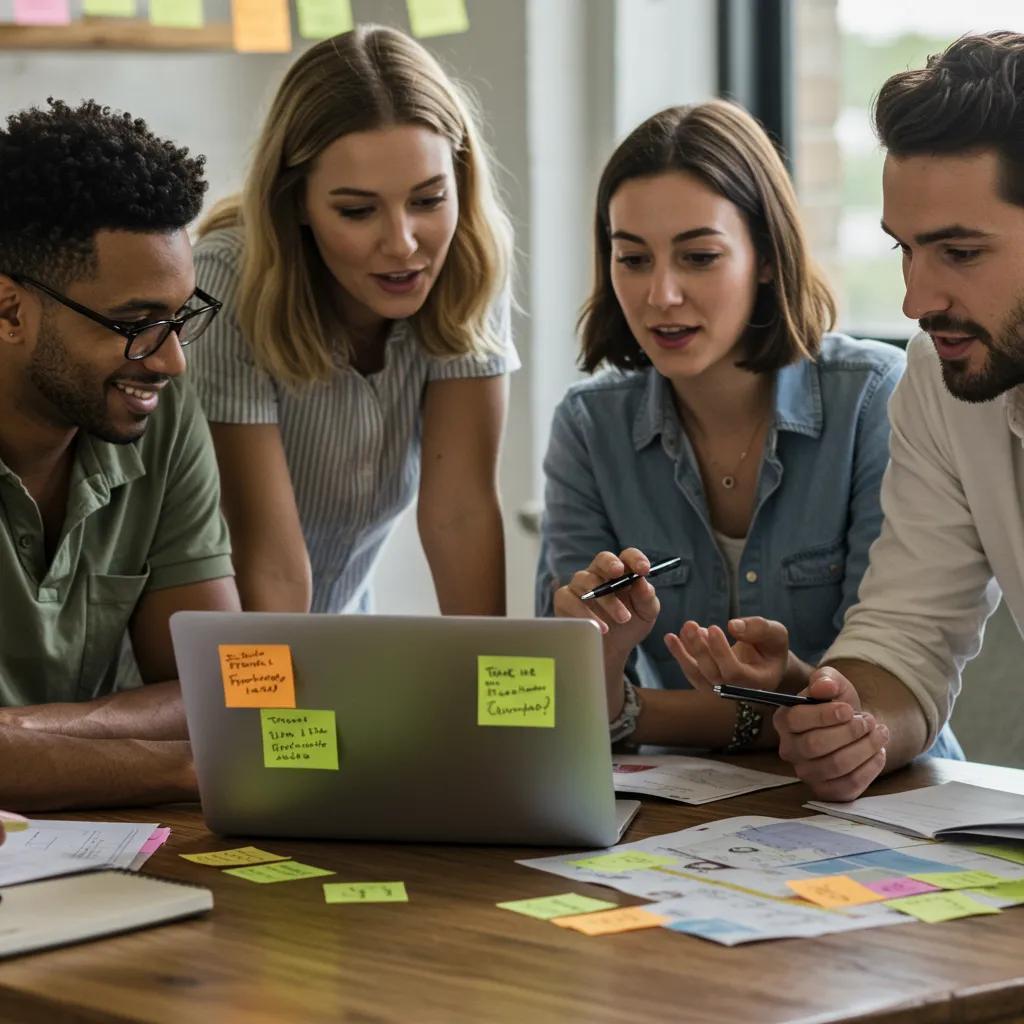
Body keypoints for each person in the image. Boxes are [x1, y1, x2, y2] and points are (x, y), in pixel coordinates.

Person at [538, 100, 962, 757]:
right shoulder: (589, 427)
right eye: (633, 259)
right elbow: (558, 700)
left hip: (883, 786)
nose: (661, 295)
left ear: (765, 255)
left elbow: (873, 688)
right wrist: (602, 655)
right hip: (685, 799)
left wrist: (631, 711)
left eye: (699, 257)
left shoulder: (874, 399)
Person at [681, 32, 1024, 800]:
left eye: (960, 253)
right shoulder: (941, 377)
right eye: (906, 250)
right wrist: (854, 723)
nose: (916, 300)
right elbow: (907, 637)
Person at [189, 25, 518, 617]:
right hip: (225, 640)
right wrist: (290, 686)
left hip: (340, 629)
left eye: (427, 200)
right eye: (358, 210)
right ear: (297, 202)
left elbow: (460, 516)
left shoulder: (466, 263)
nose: (403, 243)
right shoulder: (227, 280)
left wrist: (494, 677)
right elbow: (267, 562)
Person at [0, 99, 240, 809]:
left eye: (180, 318)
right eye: (135, 324)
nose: (171, 361)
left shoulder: (154, 412)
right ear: (9, 310)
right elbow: (202, 736)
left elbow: (218, 689)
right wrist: (173, 769)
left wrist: (21, 734)